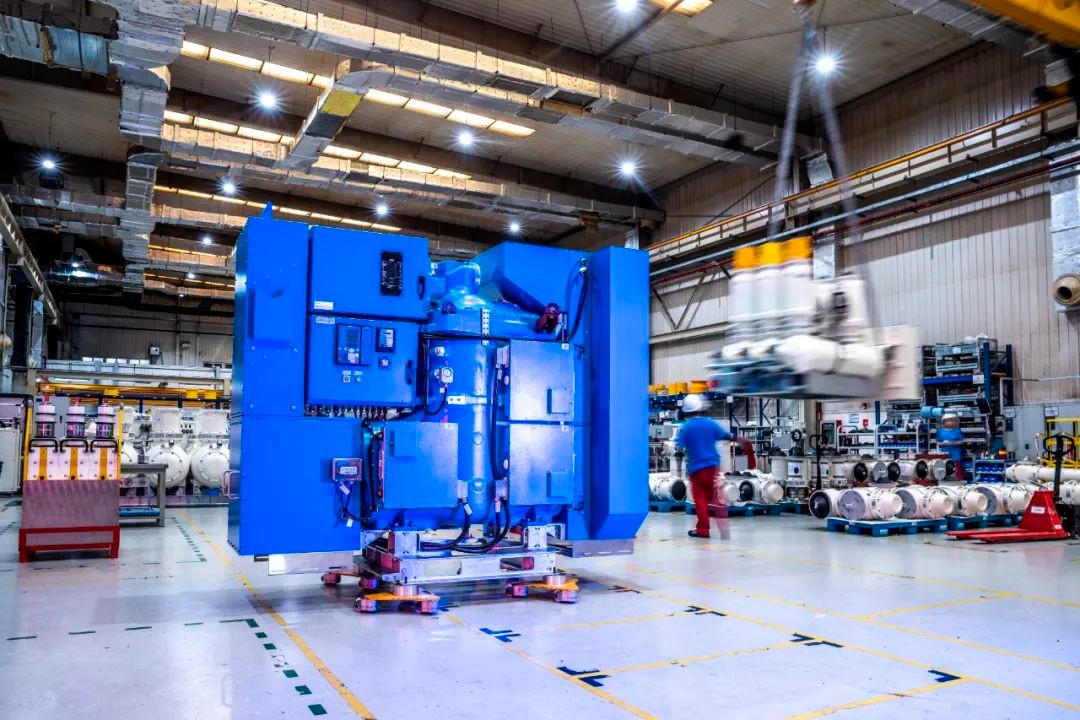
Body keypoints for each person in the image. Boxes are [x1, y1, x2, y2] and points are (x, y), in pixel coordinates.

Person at [675, 394, 753, 539]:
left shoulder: (685, 428)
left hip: (697, 469)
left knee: (701, 499)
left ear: (687, 411)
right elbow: (727, 436)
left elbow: (678, 449)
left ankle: (703, 530)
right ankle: (724, 529)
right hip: (712, 467)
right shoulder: (710, 423)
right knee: (717, 498)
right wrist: (741, 440)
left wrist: (679, 470)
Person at [936, 412, 965, 482]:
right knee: (944, 469)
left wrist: (952, 443)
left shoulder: (957, 431)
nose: (950, 422)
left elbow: (961, 441)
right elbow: (937, 443)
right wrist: (943, 443)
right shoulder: (940, 432)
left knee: (957, 469)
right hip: (944, 455)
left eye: (952, 420)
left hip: (955, 455)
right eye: (948, 420)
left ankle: (959, 482)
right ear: (944, 422)